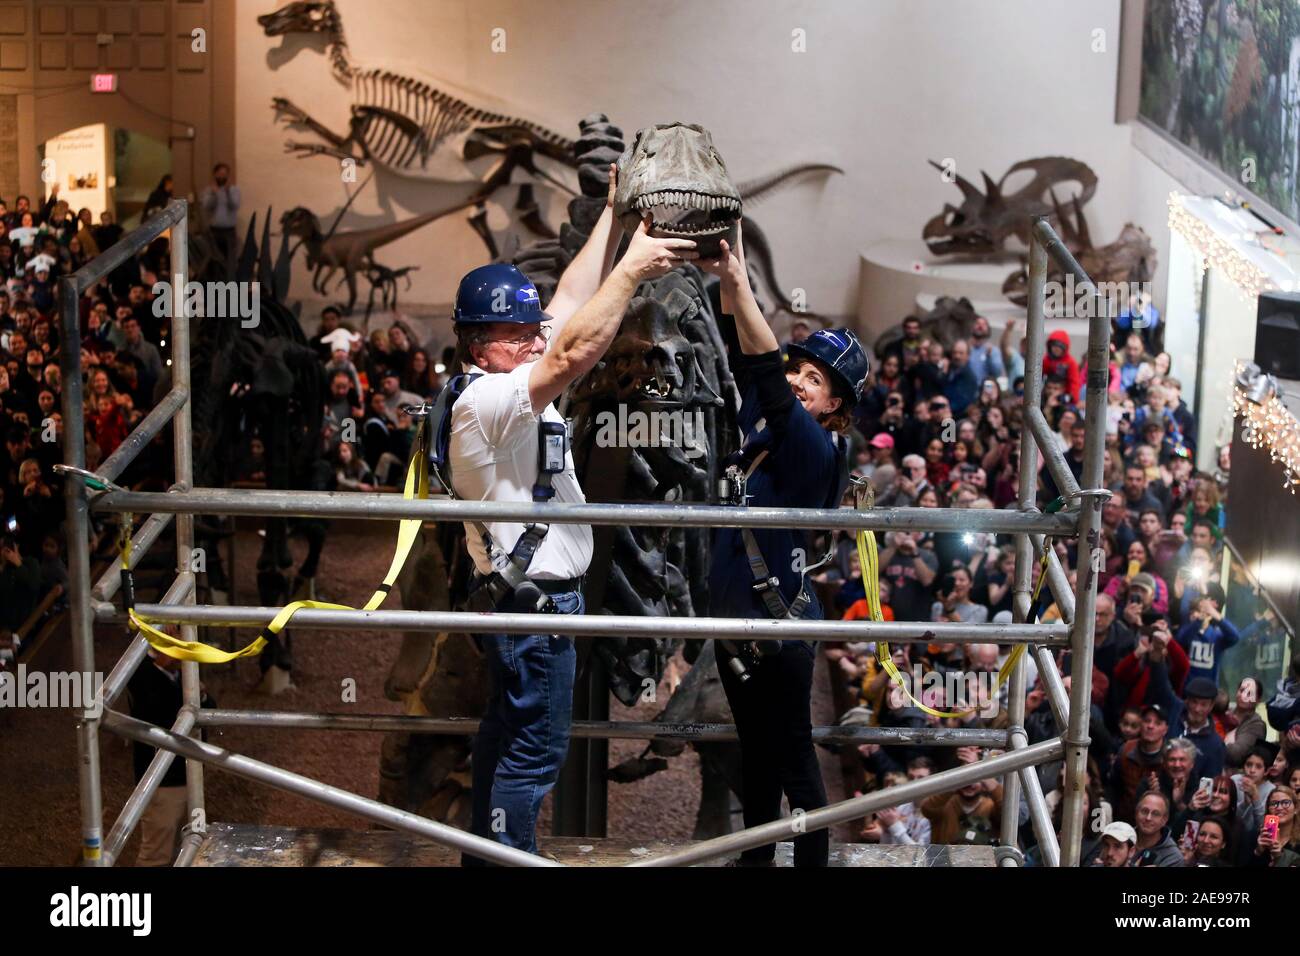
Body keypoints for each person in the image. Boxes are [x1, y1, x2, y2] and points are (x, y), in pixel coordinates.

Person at [454, 166, 694, 864]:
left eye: (531, 330)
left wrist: (613, 217)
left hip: (524, 605)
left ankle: (486, 856)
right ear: (478, 344)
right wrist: (634, 267)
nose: (533, 338)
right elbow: (573, 349)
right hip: (537, 609)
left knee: (504, 739)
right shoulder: (487, 402)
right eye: (515, 332)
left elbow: (568, 300)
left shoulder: (504, 369)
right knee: (533, 754)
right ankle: (510, 861)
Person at [699, 222, 860, 868]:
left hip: (777, 630)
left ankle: (810, 864)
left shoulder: (814, 447)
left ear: (835, 406)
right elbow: (750, 361)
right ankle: (758, 861)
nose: (800, 381)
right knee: (755, 755)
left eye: (816, 380)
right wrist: (726, 290)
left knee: (794, 759)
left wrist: (740, 284)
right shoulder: (769, 420)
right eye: (801, 369)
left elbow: (764, 372)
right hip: (742, 621)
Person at [200, 162, 240, 265]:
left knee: (229, 260)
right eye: (220, 174)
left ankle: (229, 280)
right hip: (214, 231)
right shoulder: (209, 190)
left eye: (224, 174)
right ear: (215, 175)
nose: (222, 176)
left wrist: (228, 193)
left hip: (229, 231)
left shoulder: (234, 190)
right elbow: (207, 206)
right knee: (214, 260)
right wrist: (215, 194)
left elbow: (235, 205)